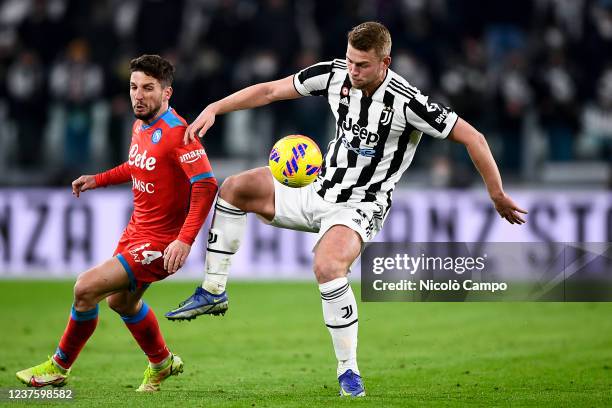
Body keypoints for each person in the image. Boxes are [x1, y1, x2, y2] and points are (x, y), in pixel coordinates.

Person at [166, 22, 527, 397]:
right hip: (316, 188)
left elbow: (473, 136)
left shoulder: (407, 101)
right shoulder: (334, 74)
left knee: (327, 266)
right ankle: (213, 290)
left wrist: (496, 193)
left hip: (360, 205)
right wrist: (216, 107)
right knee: (235, 188)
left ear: (385, 62)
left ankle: (348, 372)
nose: (353, 71)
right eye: (351, 61)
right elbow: (271, 90)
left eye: (363, 65)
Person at [16, 55, 218, 392]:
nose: (138, 95)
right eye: (133, 87)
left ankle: (58, 366)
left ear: (167, 93)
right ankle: (162, 363)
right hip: (135, 231)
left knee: (85, 289)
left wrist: (184, 240)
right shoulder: (141, 125)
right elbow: (136, 166)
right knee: (120, 302)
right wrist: (98, 179)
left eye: (148, 88)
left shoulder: (180, 134)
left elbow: (206, 185)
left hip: (160, 242)